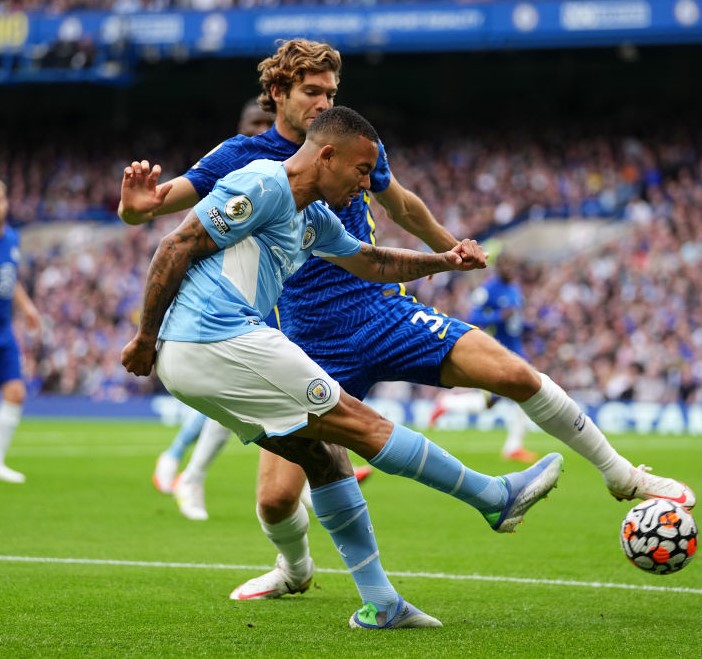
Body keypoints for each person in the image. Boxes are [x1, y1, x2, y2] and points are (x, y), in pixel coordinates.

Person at [118, 38, 694, 603]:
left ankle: (623, 476)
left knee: (514, 375)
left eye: (330, 92)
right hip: (304, 338)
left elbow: (398, 214)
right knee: (276, 499)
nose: (323, 102)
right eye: (312, 92)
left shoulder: (357, 146)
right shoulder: (243, 160)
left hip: (380, 311)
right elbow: (156, 212)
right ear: (277, 92)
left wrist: (452, 253)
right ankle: (294, 569)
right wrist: (132, 207)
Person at [122, 105, 565, 629]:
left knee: (323, 459)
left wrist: (443, 261)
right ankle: (493, 497)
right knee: (360, 423)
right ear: (326, 155)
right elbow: (176, 245)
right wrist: (144, 337)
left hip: (201, 356)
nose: (366, 183)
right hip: (217, 337)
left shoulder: (313, 217)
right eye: (360, 170)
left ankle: (381, 604)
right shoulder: (264, 183)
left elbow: (372, 262)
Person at [152, 98, 276, 495]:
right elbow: (182, 225)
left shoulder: (282, 170)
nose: (262, 130)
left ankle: (183, 464)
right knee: (237, 390)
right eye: (255, 123)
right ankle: (182, 463)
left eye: (267, 124)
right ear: (241, 128)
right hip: (224, 292)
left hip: (266, 287)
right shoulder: (231, 162)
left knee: (252, 392)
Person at [429, 253, 538, 464]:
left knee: (517, 394)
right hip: (498, 352)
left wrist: (529, 326)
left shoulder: (514, 290)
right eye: (506, 265)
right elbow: (473, 317)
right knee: (511, 396)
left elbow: (515, 321)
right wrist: (498, 317)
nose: (510, 270)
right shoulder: (488, 290)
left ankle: (513, 446)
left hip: (516, 350)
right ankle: (448, 404)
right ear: (498, 267)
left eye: (512, 266)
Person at [0, 180, 41, 484]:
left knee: (15, 392)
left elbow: (9, 279)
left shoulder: (12, 237)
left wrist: (26, 307)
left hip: (4, 329)